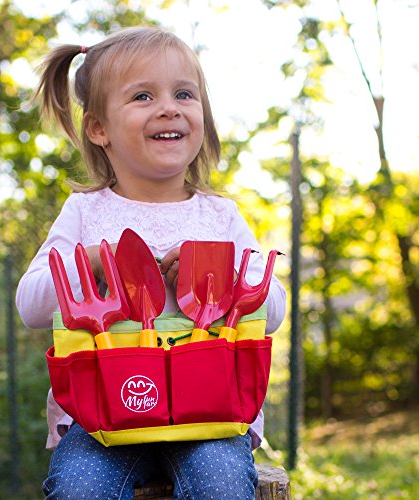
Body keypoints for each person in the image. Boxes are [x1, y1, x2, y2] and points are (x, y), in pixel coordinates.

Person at [16, 26, 286, 500]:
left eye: (184, 94)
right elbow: (30, 305)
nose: (169, 107)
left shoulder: (219, 216)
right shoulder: (85, 213)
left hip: (210, 417)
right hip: (103, 421)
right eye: (143, 96)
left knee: (222, 482)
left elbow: (275, 310)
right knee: (79, 486)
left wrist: (224, 278)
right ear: (98, 128)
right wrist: (93, 263)